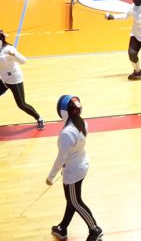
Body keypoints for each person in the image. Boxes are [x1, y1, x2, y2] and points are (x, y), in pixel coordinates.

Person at [47, 95, 103, 241]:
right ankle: (62, 228)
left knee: (75, 201)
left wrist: (51, 176)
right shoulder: (82, 122)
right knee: (71, 199)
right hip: (80, 164)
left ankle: (95, 229)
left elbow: (61, 158)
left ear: (63, 112)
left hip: (73, 171)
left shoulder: (66, 133)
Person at [0, 29, 44, 132]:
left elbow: (23, 61)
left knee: (21, 104)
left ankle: (39, 118)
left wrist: (14, 55)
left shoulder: (9, 50)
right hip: (4, 79)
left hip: (14, 79)